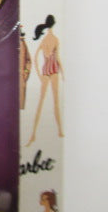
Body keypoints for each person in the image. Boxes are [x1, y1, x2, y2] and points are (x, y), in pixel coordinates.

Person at [26, 15, 64, 145]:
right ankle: (59, 131)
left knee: (40, 103)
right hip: (53, 71)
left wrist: (39, 75)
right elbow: (57, 58)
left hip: (45, 71)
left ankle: (34, 134)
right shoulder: (55, 39)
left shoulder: (44, 40)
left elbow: (36, 58)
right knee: (55, 102)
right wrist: (62, 73)